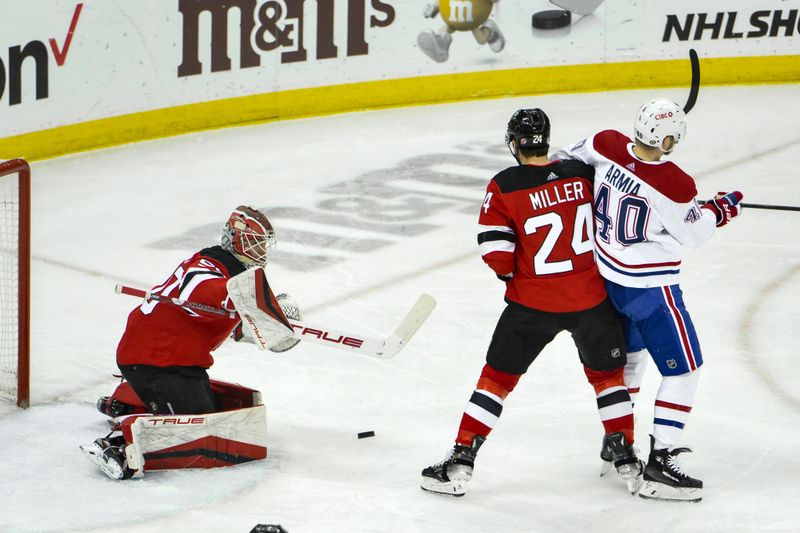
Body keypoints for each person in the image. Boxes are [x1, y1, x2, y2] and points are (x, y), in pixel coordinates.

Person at [420, 109, 640, 497]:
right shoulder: (580, 172)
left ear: (514, 143)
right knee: (608, 379)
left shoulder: (504, 184)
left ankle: (460, 462)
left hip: (531, 305)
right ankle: (624, 455)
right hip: (590, 299)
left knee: (497, 380)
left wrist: (515, 278)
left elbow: (496, 251)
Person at [553, 99, 744, 502]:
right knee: (685, 370)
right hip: (649, 290)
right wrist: (718, 209)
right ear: (670, 139)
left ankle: (617, 440)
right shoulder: (675, 184)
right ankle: (661, 461)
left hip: (607, 280)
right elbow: (693, 235)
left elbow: (567, 159)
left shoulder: (607, 144)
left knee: (633, 358)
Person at [81, 206, 300, 479]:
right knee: (200, 427)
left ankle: (125, 403)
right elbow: (199, 289)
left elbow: (240, 325)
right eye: (257, 243)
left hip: (175, 361)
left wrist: (270, 324)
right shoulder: (207, 267)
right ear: (237, 240)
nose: (262, 250)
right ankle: (117, 445)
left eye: (264, 244)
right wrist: (245, 302)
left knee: (224, 410)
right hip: (154, 361)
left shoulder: (233, 277)